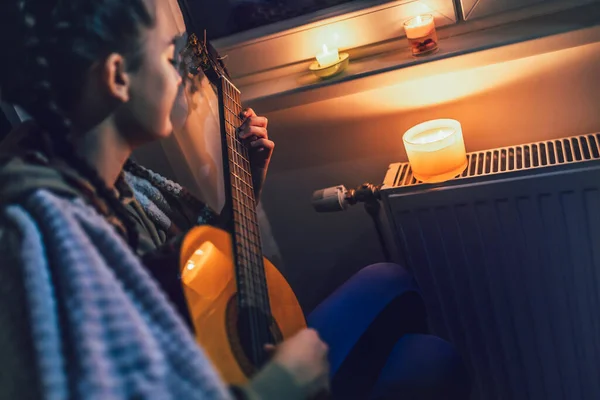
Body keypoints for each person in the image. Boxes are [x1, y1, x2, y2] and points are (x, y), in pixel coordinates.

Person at [0, 0, 329, 399]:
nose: (180, 77)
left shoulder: (110, 186)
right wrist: (273, 389)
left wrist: (250, 184)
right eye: (168, 57)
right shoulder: (30, 240)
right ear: (118, 77)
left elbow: (186, 283)